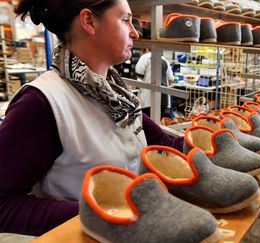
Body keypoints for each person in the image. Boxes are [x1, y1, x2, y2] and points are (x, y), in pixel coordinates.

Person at [0, 0, 183, 236]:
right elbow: (3, 205)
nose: (135, 32)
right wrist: (104, 214)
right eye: (125, 20)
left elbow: (165, 145)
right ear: (89, 21)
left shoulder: (116, 95)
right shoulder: (41, 103)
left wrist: (221, 144)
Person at [135, 48, 174, 117]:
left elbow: (139, 73)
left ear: (146, 49)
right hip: (163, 99)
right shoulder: (165, 60)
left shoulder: (145, 56)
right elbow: (170, 80)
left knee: (146, 124)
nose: (139, 53)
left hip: (148, 99)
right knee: (158, 123)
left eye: (140, 51)